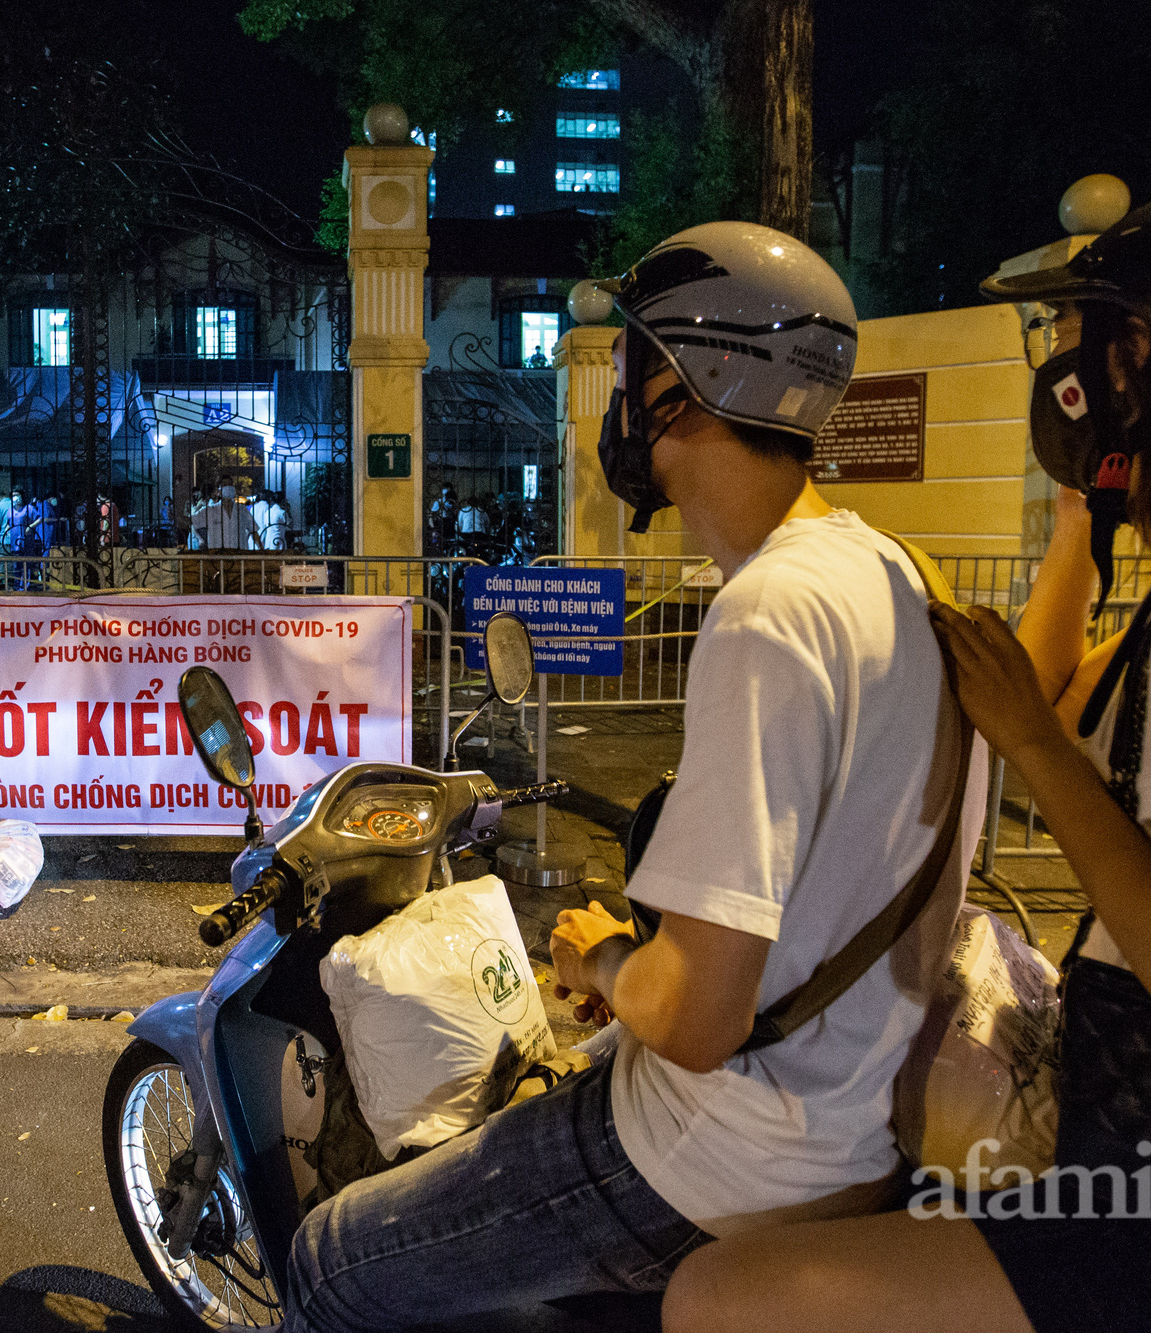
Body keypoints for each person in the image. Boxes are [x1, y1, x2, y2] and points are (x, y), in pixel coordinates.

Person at [661, 178, 1151, 1333]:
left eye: (1074, 334)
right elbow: (1056, 693)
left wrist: (1031, 744)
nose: (1058, 371)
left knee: (722, 1297)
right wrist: (1088, 512)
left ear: (1137, 355)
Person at [281, 222, 977, 1331]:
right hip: (848, 1116)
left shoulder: (767, 614)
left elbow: (696, 1015)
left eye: (629, 365)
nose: (615, 397)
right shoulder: (887, 568)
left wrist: (602, 956)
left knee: (328, 1263)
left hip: (720, 1145)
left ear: (683, 390)